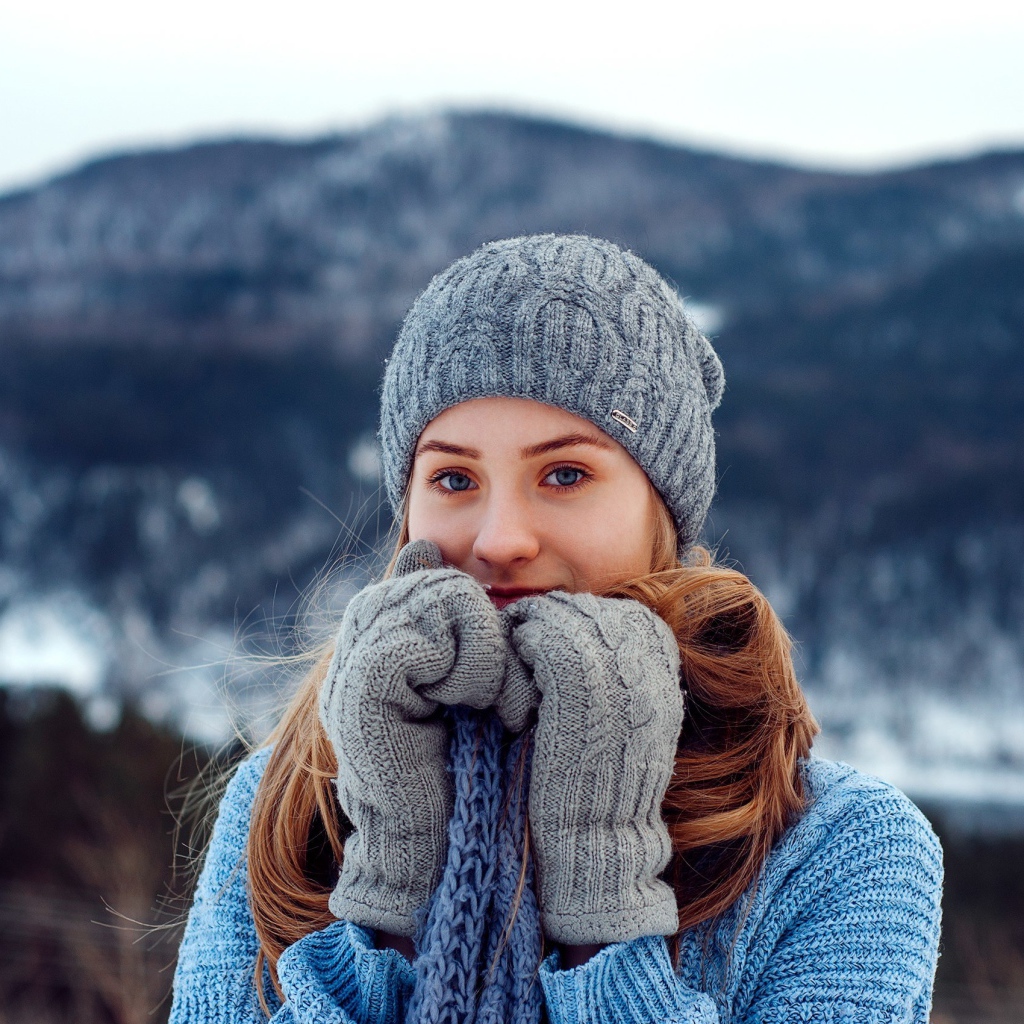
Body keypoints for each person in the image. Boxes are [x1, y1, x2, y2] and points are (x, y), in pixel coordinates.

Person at [169, 234, 942, 1023]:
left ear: (663, 512)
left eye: (565, 474)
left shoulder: (843, 851)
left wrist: (603, 905)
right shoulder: (285, 802)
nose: (501, 537)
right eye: (454, 478)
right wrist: (390, 890)